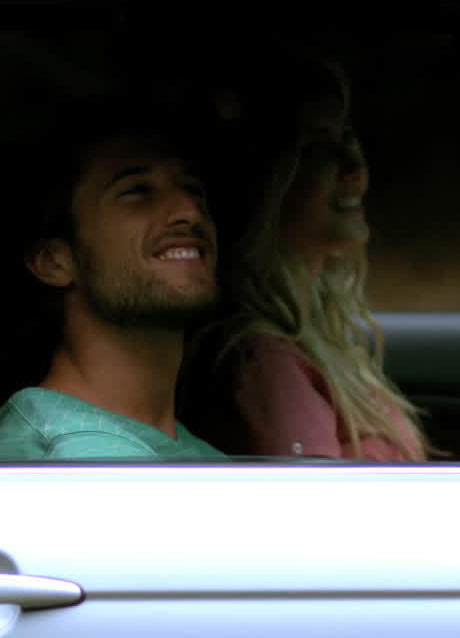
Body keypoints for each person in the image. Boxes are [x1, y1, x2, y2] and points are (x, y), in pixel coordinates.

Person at [184, 56, 429, 461]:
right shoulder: (265, 364)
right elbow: (309, 501)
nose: (353, 165)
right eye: (316, 148)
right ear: (262, 180)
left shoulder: (306, 340)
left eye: (348, 136)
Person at [0, 99, 225, 460]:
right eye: (137, 191)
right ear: (54, 262)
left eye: (193, 189)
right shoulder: (70, 460)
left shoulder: (186, 453)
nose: (190, 211)